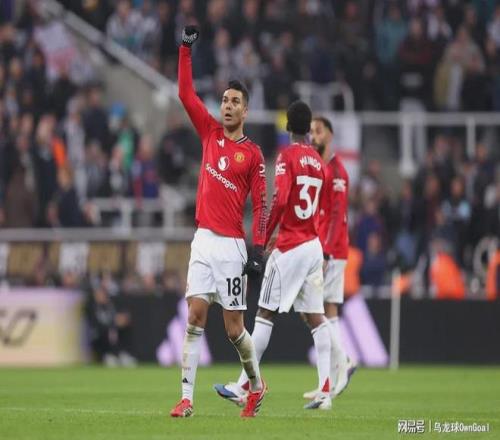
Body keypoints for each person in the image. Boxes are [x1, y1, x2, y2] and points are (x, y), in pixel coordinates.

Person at [170, 26, 268, 419]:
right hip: (203, 241)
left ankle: (256, 386)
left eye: (235, 102)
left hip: (231, 247)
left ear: (245, 112)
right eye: (225, 100)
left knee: (233, 329)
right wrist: (185, 49)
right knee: (194, 316)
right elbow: (185, 94)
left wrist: (258, 250)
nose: (227, 106)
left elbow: (262, 205)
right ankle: (186, 399)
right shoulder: (209, 133)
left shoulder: (254, 154)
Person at [214, 101, 333, 410]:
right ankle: (325, 390)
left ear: (287, 126)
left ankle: (243, 385)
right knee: (316, 317)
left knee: (264, 315)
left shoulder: (287, 156)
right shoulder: (319, 162)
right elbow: (319, 208)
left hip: (290, 248)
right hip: (312, 246)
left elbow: (279, 200)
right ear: (309, 129)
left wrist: (265, 237)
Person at [302, 116, 356, 401]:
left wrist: (326, 251)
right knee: (327, 310)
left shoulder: (337, 172)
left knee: (312, 308)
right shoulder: (318, 168)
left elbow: (336, 216)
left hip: (331, 251)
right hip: (323, 247)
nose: (313, 136)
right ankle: (331, 379)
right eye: (311, 131)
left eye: (318, 131)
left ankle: (343, 360)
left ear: (330, 135)